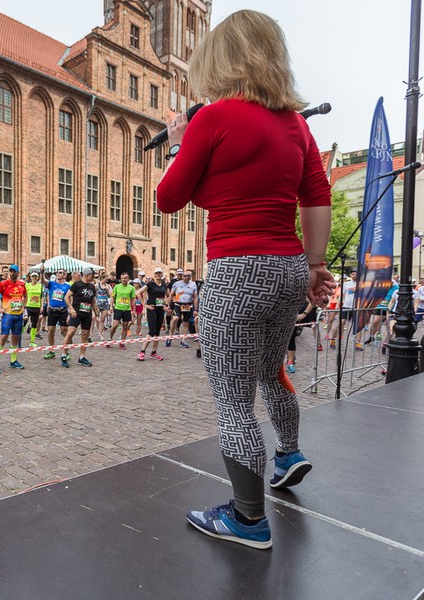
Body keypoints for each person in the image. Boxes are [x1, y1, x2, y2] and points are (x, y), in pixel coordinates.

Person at [157, 10, 335, 549]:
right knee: (270, 370)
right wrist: (316, 264)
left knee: (233, 398)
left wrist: (177, 142)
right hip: (288, 267)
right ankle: (288, 453)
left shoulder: (213, 118)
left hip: (236, 268)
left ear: (221, 59)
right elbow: (317, 195)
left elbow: (169, 198)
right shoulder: (296, 124)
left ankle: (247, 518)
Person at [0, 264, 27, 373]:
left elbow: (25, 296)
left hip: (18, 314)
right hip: (8, 314)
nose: (12, 273)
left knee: (15, 337)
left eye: (14, 271)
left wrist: (24, 306)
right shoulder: (3, 284)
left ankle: (13, 361)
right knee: (4, 336)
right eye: (11, 271)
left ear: (18, 273)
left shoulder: (22, 284)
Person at [61, 267, 99, 367]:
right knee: (71, 332)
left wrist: (97, 315)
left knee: (85, 335)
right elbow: (66, 297)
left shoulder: (92, 286)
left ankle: (82, 357)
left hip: (87, 313)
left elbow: (93, 302)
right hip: (76, 312)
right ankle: (64, 354)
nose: (93, 277)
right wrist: (70, 308)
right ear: (87, 275)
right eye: (92, 275)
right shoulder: (76, 285)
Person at [136, 268, 170, 361]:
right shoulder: (150, 284)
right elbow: (138, 292)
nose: (158, 275)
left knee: (157, 332)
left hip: (160, 310)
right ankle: (142, 351)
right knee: (152, 330)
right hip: (152, 309)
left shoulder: (164, 285)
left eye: (159, 273)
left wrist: (166, 305)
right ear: (154, 275)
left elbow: (167, 296)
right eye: (156, 273)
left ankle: (154, 353)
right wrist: (144, 305)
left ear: (162, 274)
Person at [109, 273, 136, 348]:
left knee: (125, 326)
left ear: (128, 279)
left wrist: (133, 310)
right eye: (122, 278)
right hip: (118, 308)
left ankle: (122, 342)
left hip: (127, 309)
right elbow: (112, 297)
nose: (124, 279)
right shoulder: (116, 287)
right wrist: (111, 306)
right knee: (115, 325)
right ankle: (110, 339)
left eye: (125, 278)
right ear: (120, 279)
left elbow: (133, 299)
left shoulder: (131, 288)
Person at [24, 271, 44, 347]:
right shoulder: (27, 285)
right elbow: (24, 295)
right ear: (31, 277)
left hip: (36, 307)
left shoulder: (40, 286)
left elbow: (42, 297)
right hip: (28, 306)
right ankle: (18, 339)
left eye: (36, 276)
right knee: (24, 322)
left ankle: (32, 341)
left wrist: (42, 306)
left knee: (34, 324)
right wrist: (23, 305)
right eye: (33, 276)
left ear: (38, 277)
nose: (34, 278)